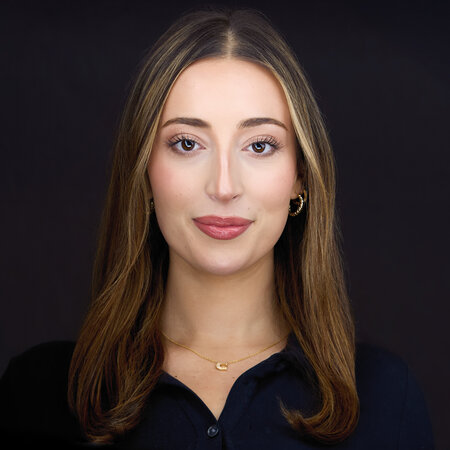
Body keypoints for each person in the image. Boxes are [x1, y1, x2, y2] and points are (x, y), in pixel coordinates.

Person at [0, 6, 434, 449]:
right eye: (187, 143)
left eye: (259, 146)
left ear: (299, 176)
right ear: (144, 172)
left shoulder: (386, 400)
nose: (224, 187)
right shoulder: (38, 394)